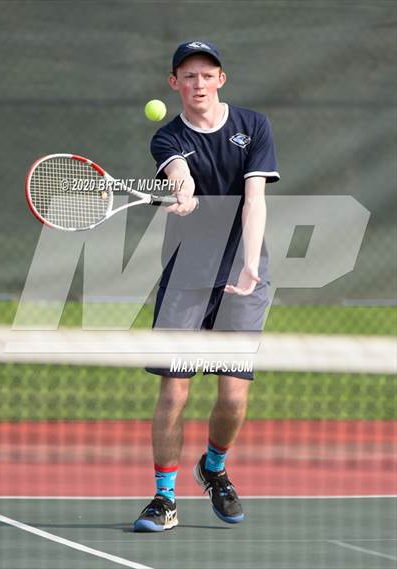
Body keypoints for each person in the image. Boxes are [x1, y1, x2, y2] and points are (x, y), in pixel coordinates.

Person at [134, 40, 280, 532]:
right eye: (188, 76)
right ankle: (164, 497)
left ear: (222, 79)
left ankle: (214, 468)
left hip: (244, 271)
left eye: (207, 74)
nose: (198, 84)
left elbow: (254, 199)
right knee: (174, 393)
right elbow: (179, 171)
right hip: (187, 275)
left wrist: (250, 264)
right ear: (175, 83)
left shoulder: (253, 126)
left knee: (233, 397)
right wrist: (183, 187)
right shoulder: (167, 137)